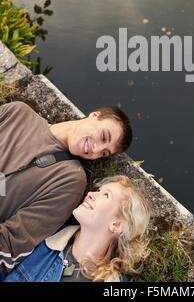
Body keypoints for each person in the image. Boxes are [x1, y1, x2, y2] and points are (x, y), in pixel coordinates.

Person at [0, 101, 132, 279]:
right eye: (103, 136)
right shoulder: (17, 112)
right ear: (95, 115)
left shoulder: (71, 181)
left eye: (104, 153)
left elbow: (11, 243)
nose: (96, 150)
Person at [4, 175, 150, 283]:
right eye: (98, 190)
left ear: (117, 225)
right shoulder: (44, 238)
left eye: (106, 195)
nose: (91, 194)